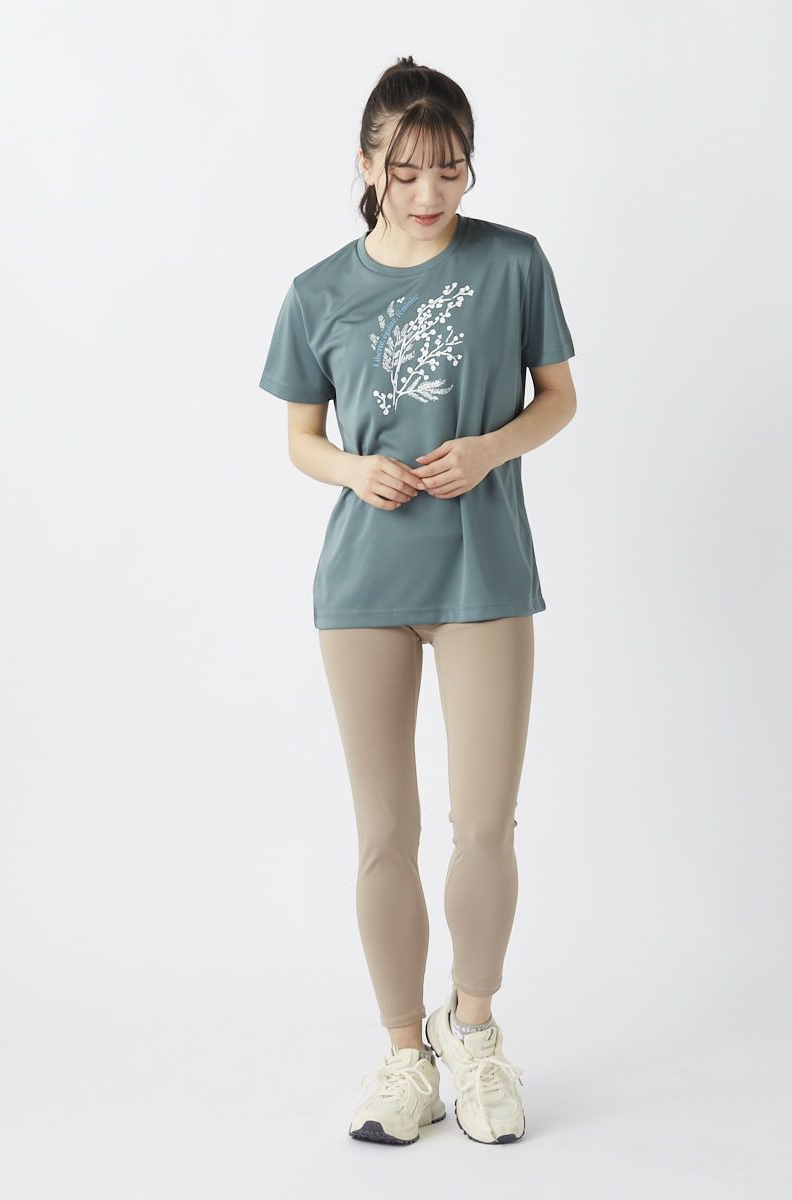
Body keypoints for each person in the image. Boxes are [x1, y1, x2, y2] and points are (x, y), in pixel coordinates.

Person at [258, 54, 577, 1146]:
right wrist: (354, 469)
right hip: (364, 584)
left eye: (450, 170)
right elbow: (302, 438)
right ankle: (406, 1057)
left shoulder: (513, 262)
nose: (430, 193)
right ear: (367, 167)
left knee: (483, 824)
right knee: (382, 833)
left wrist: (489, 448)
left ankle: (472, 1035)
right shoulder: (318, 292)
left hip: (485, 569)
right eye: (406, 173)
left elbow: (558, 399)